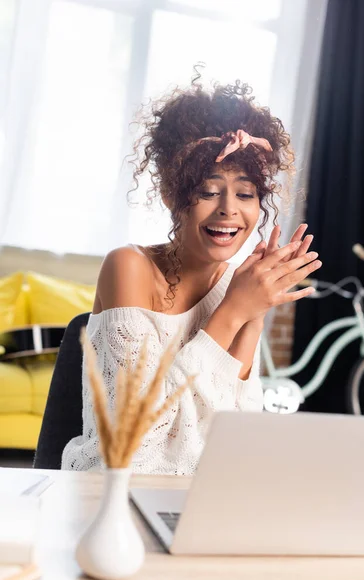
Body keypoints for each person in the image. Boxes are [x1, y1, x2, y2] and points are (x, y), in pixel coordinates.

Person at [61, 79, 321, 474]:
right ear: (171, 194)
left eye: (246, 194)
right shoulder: (129, 267)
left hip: (196, 498)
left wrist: (255, 315)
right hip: (112, 494)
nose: (228, 210)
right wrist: (232, 313)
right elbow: (129, 450)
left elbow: (234, 433)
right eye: (208, 191)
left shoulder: (237, 286)